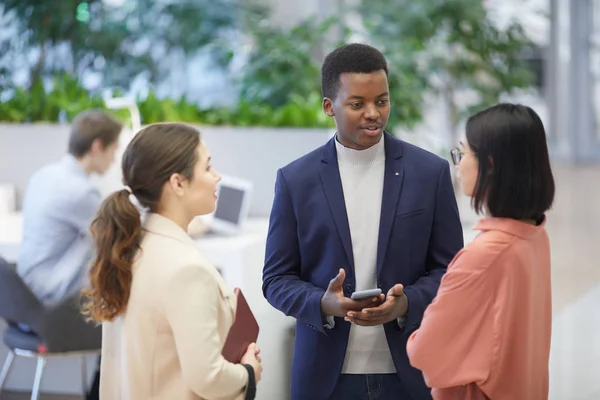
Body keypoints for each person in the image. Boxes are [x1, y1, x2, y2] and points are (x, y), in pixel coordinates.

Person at [262, 43, 464, 400]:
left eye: (382, 101)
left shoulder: (429, 173)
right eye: (357, 104)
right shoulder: (296, 180)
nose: (373, 113)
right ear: (329, 106)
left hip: (410, 371)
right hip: (326, 377)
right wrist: (324, 304)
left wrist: (406, 304)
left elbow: (450, 271)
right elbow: (276, 279)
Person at [82, 123, 262, 400]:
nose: (217, 177)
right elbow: (208, 377)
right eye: (207, 167)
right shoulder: (186, 269)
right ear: (177, 183)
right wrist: (249, 372)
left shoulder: (132, 247)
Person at [406, 103, 555, 400]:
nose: (457, 164)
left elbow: (423, 352)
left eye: (462, 154)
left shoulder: (483, 257)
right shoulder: (534, 234)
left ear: (490, 165)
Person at [17, 109, 122, 306]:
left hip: (28, 286)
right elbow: (117, 235)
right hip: (52, 295)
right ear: (98, 146)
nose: (114, 160)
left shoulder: (44, 174)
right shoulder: (80, 191)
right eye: (114, 150)